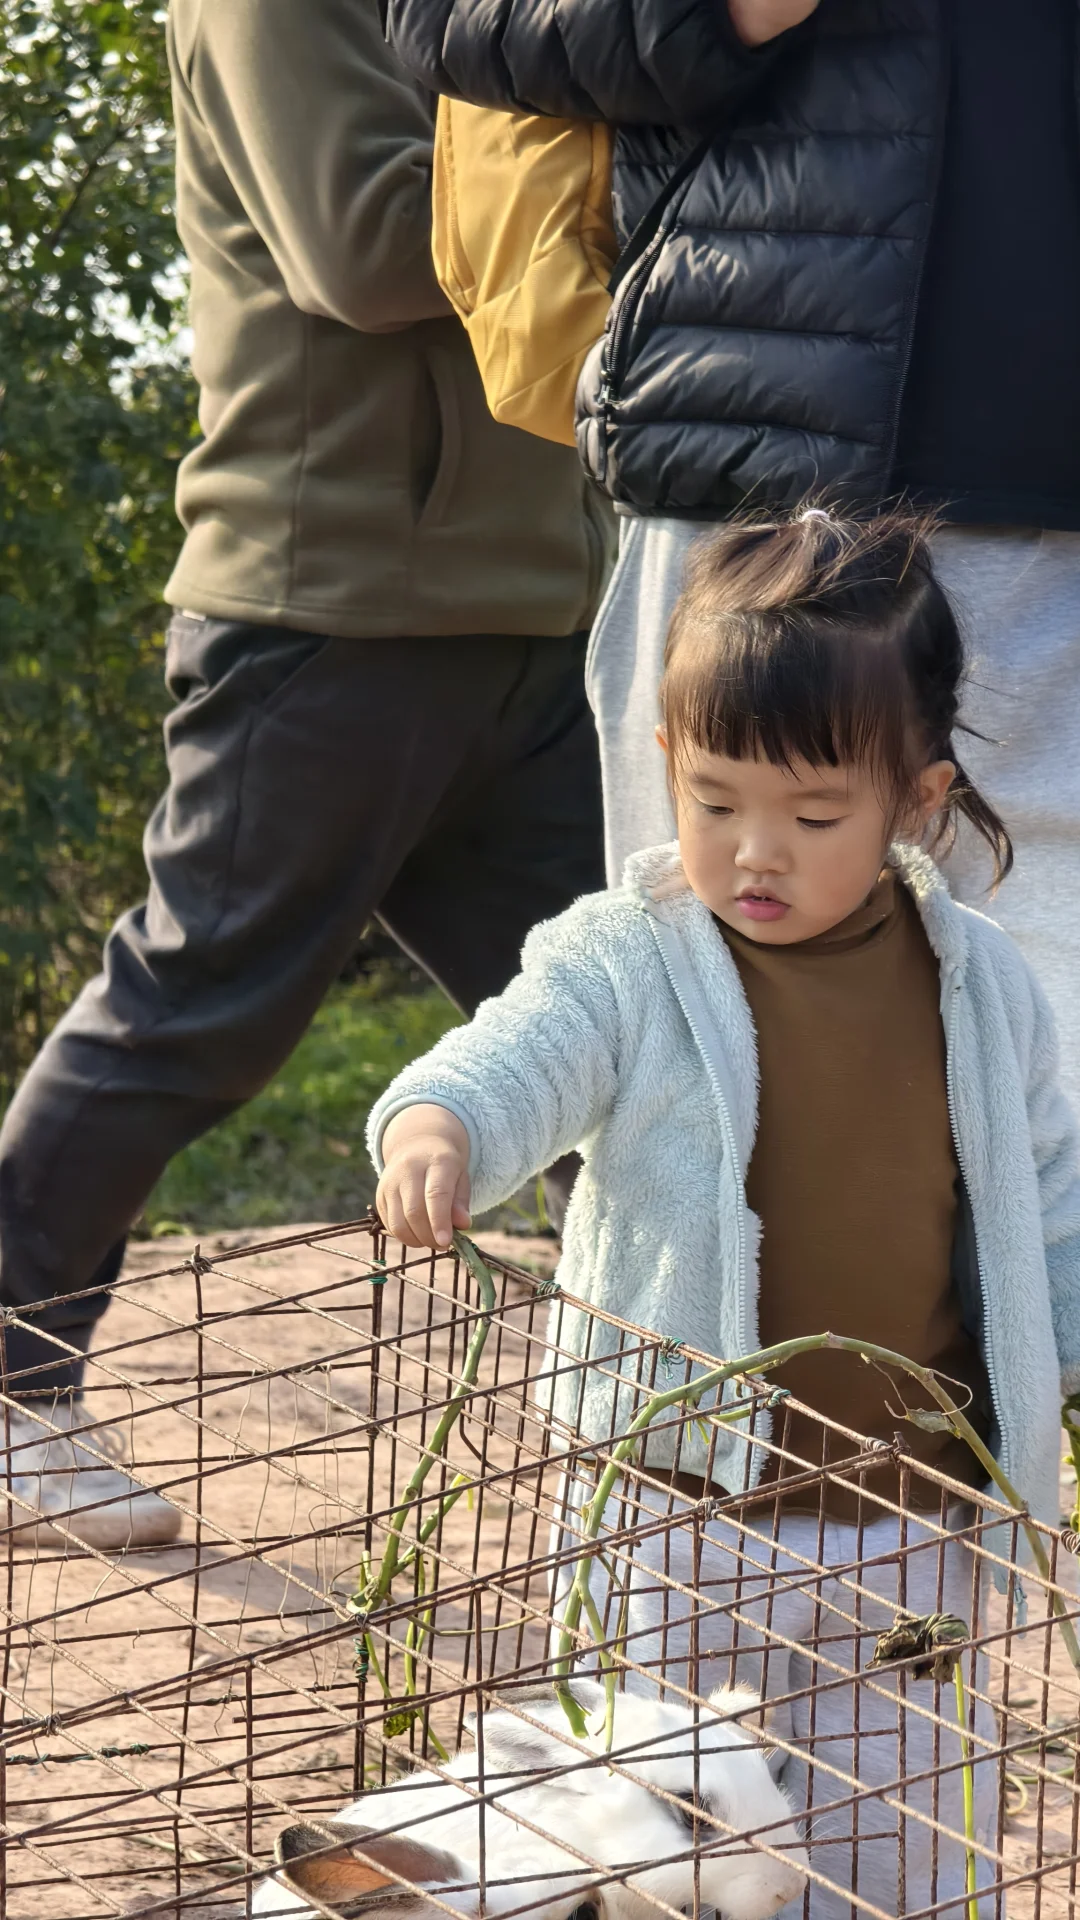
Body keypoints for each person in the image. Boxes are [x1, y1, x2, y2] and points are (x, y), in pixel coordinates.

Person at [368, 508, 1080, 1918]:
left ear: (915, 803)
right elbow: (516, 1050)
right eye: (714, 801)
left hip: (911, 1515)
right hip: (679, 1515)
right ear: (666, 770)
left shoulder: (985, 986)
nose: (755, 850)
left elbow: (1043, 1202)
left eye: (814, 817)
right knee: (666, 1843)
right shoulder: (629, 957)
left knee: (902, 1841)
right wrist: (439, 1124)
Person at [0, 0, 612, 1549]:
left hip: (530, 603)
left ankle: (653, 1406)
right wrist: (623, 132)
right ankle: (11, 1389)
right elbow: (364, 242)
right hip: (329, 601)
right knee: (193, 1005)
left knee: (624, 1021)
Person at [384, 0, 1080, 1117]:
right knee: (698, 1083)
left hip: (1045, 510)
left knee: (1056, 1117)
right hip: (736, 461)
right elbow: (448, 23)